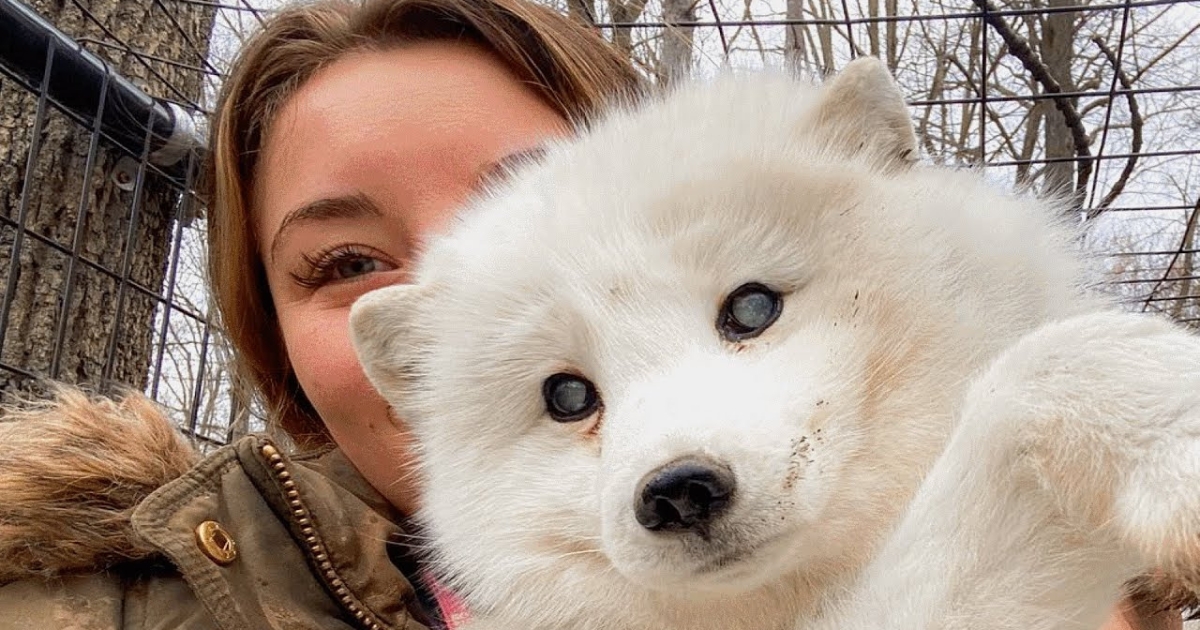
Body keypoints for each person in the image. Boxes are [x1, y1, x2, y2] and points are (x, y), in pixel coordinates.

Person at [0, 0, 1187, 628]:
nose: (673, 461)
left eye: (750, 310)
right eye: (347, 257)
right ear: (269, 325)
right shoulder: (90, 600)